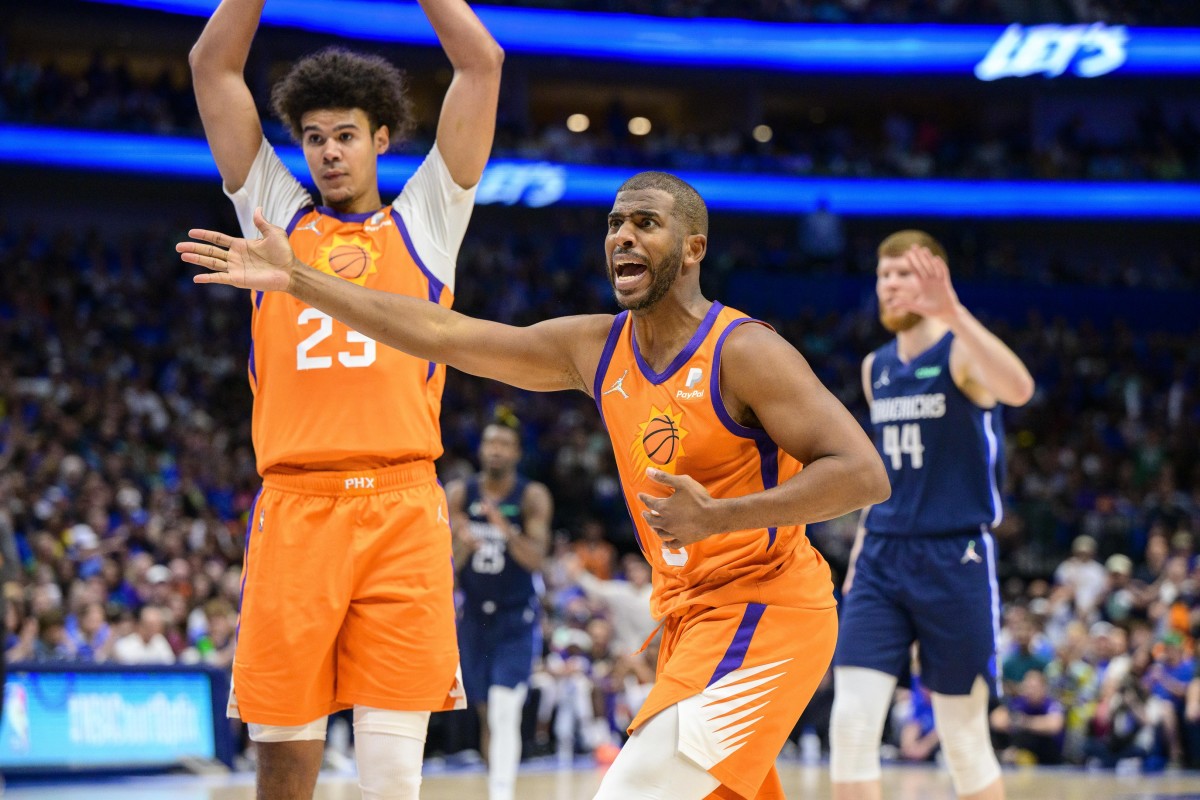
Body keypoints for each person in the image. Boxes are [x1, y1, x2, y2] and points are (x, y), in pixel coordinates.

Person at [178, 170, 891, 800]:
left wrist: (722, 515)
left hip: (767, 614)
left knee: (635, 789)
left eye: (646, 223)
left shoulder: (745, 351)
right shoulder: (597, 347)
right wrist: (299, 280)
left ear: (694, 247)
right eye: (614, 224)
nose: (623, 237)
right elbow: (444, 334)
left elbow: (863, 474)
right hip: (689, 619)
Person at [187, 1, 503, 797]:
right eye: (315, 138)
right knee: (284, 767)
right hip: (298, 507)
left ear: (381, 139)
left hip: (402, 508)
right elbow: (212, 68)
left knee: (392, 777)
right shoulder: (276, 220)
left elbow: (482, 63)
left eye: (346, 136)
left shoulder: (427, 221)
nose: (329, 152)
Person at [830, 231, 1034, 800]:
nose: (890, 285)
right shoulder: (875, 367)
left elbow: (1019, 389)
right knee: (850, 725)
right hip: (881, 556)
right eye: (884, 275)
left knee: (963, 736)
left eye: (904, 274)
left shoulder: (962, 354)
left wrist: (953, 313)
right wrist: (862, 546)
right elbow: (887, 474)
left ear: (936, 280)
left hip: (954, 556)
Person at [445, 416, 552, 800]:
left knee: (505, 710)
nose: (496, 450)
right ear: (481, 448)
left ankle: (501, 792)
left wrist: (504, 530)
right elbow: (444, 569)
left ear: (517, 453)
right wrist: (462, 543)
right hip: (474, 617)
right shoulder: (460, 493)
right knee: (487, 713)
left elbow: (536, 560)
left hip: (515, 616)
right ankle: (497, 787)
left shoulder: (531, 496)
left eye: (504, 444)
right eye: (491, 442)